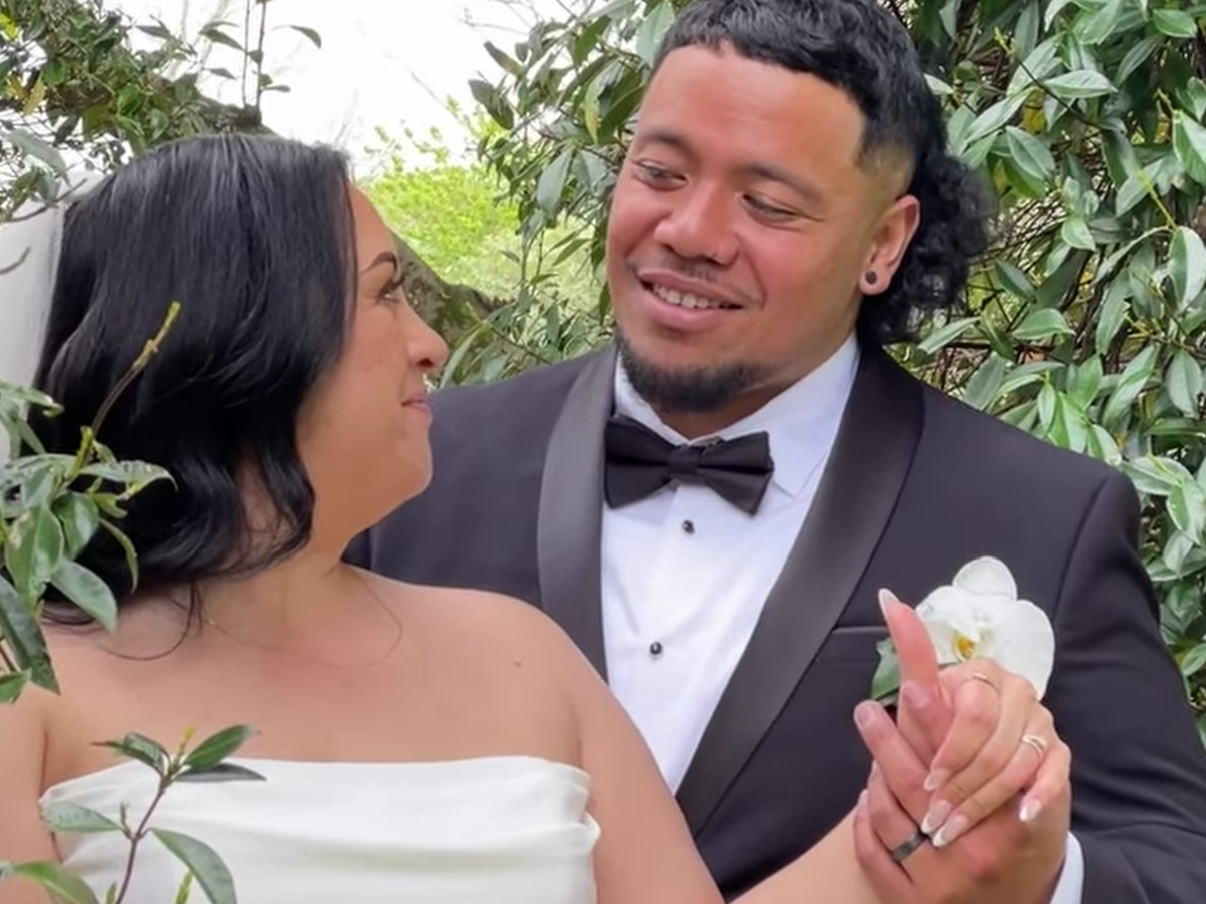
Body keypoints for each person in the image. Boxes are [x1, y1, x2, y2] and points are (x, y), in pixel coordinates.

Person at [0, 133, 1057, 904]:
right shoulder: (29, 688)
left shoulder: (523, 656)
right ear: (244, 345)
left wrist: (912, 817)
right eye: (385, 293)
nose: (429, 344)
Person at [345, 0, 1206, 902]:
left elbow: (1177, 867)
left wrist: (1042, 877)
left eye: (768, 204)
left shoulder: (1043, 520)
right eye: (659, 172)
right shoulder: (413, 466)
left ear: (884, 243)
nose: (690, 233)